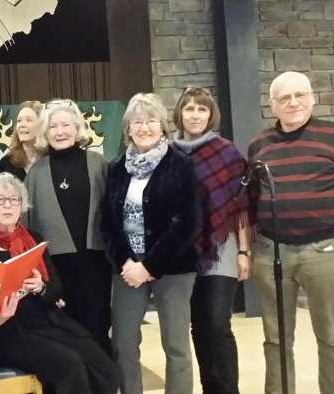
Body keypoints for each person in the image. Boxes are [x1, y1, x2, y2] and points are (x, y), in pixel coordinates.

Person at [248, 71, 334, 394]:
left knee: (330, 335)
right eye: (284, 98)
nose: (293, 103)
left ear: (312, 98)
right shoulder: (259, 144)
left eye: (300, 95)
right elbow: (252, 198)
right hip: (271, 252)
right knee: (276, 338)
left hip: (322, 252)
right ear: (272, 105)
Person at [0, 172, 121, 394]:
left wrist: (40, 287)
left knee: (105, 368)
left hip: (48, 323)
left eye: (14, 200)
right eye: (0, 200)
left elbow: (56, 289)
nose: (8, 206)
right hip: (10, 332)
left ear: (22, 206)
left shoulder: (34, 239)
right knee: (71, 365)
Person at [101, 93, 198, 394]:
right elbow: (108, 223)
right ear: (128, 128)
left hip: (173, 268)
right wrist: (126, 263)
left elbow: (187, 223)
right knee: (124, 343)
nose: (144, 128)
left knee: (176, 345)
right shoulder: (116, 168)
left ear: (163, 126)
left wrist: (151, 266)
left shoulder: (181, 165)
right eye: (138, 122)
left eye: (151, 121)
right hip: (128, 269)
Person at [172, 87, 251, 394]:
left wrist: (243, 250)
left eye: (201, 109)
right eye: (189, 109)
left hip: (222, 246)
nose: (194, 115)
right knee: (198, 326)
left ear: (210, 115)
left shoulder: (226, 152)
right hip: (184, 251)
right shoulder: (169, 151)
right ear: (179, 113)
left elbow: (240, 205)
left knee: (217, 323)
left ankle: (228, 390)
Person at [24, 98, 112, 352]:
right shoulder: (36, 172)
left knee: (98, 332)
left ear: (77, 128)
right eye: (53, 127)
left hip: (96, 267)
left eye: (65, 125)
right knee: (64, 337)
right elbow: (27, 227)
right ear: (45, 132)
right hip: (55, 272)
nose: (60, 132)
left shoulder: (98, 164)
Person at [0, 100, 45, 180]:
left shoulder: (52, 158)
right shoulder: (7, 162)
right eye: (19, 121)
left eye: (29, 120)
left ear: (42, 124)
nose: (22, 125)